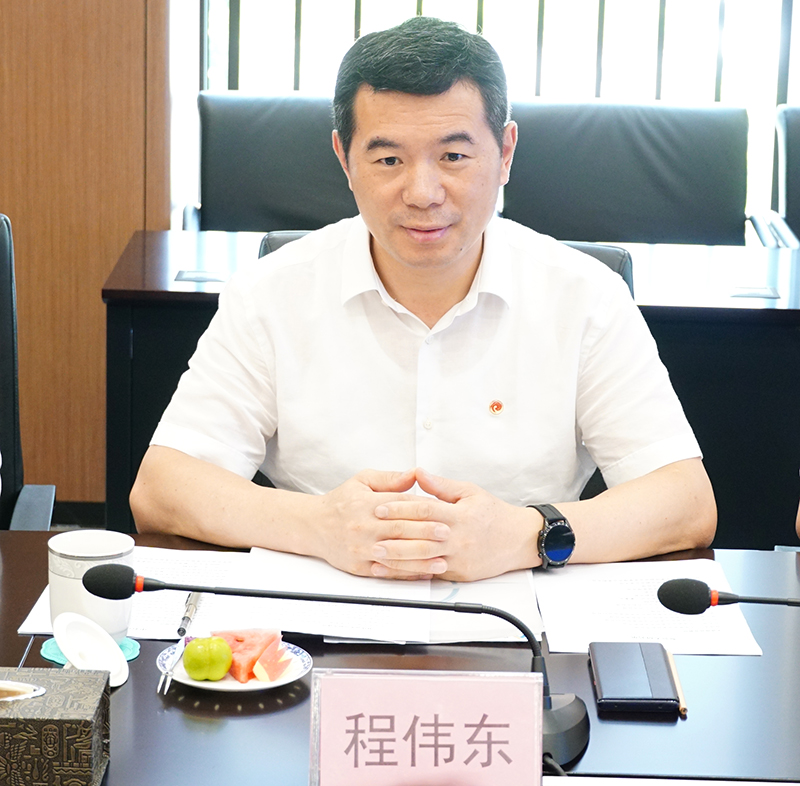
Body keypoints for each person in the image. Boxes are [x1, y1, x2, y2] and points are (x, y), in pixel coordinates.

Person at [131, 16, 716, 581]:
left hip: (522, 618)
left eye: (453, 156)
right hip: (314, 626)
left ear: (506, 152)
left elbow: (684, 503)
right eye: (388, 160)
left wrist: (522, 535)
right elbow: (163, 489)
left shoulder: (585, 296)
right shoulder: (270, 293)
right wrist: (320, 526)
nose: (422, 192)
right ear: (344, 159)